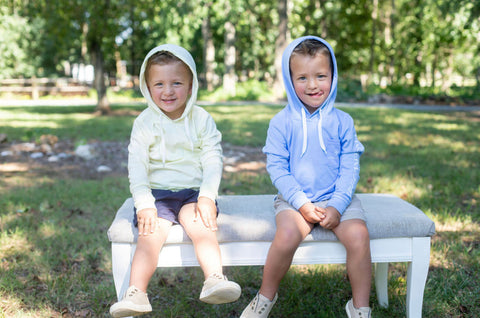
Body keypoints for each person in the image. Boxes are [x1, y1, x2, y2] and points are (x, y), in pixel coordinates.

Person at [240, 36, 372, 318]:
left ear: (333, 76)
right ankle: (265, 297)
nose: (312, 85)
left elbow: (350, 168)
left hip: (338, 197)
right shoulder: (280, 122)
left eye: (321, 76)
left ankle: (360, 307)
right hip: (294, 199)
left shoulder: (343, 122)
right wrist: (300, 203)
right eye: (302, 77)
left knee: (359, 236)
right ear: (289, 80)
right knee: (287, 234)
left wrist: (337, 205)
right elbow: (277, 168)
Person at [110, 44, 241, 318]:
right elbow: (137, 167)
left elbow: (212, 159)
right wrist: (144, 203)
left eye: (176, 83)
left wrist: (207, 196)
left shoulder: (201, 119)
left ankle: (214, 279)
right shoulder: (144, 123)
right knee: (150, 235)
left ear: (191, 85)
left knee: (202, 228)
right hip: (156, 196)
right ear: (147, 87)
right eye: (159, 83)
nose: (168, 91)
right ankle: (136, 293)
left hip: (194, 193)